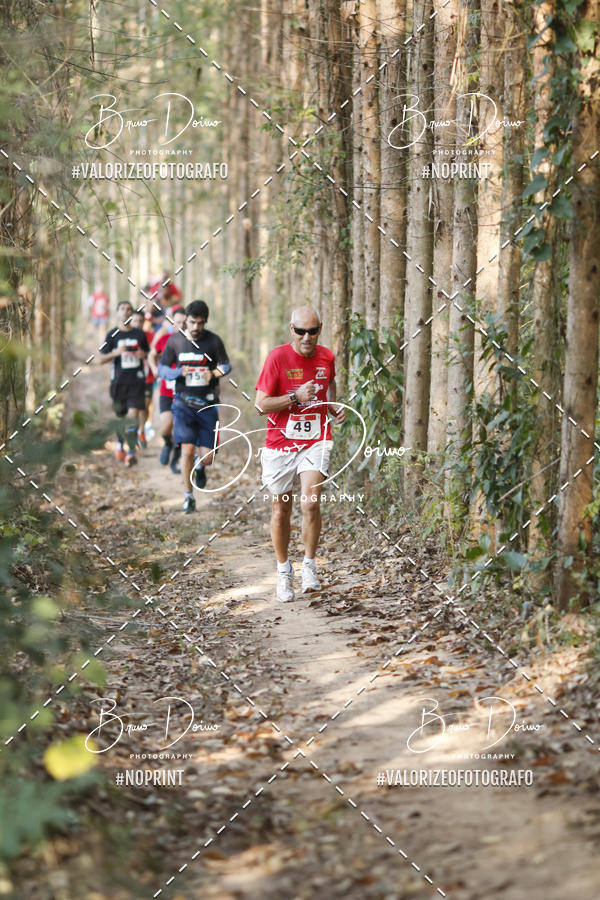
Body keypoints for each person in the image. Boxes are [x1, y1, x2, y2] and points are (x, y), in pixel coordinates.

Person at [255, 305, 344, 602]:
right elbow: (261, 404)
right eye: (301, 331)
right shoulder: (277, 358)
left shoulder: (327, 356)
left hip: (316, 439)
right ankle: (283, 570)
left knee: (311, 503)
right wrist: (294, 397)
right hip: (280, 442)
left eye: (313, 331)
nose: (307, 337)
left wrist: (332, 405)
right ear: (291, 329)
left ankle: (309, 566)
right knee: (281, 511)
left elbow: (329, 383)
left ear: (320, 329)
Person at [158, 300, 232, 512]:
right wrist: (176, 373)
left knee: (208, 458)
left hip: (207, 404)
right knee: (188, 449)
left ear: (205, 321)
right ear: (186, 320)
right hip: (182, 404)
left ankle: (200, 467)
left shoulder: (213, 341)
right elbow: (162, 369)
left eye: (200, 323)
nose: (196, 327)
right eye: (192, 322)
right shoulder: (175, 342)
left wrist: (214, 373)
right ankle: (188, 496)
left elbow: (226, 365)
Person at [99, 301, 149, 466]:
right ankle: (120, 443)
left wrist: (143, 355)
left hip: (136, 382)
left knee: (133, 417)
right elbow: (101, 359)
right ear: (117, 312)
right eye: (122, 309)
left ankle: (131, 451)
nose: (126, 312)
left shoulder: (139, 334)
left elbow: (148, 354)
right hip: (118, 383)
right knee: (121, 418)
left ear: (132, 313)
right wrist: (116, 353)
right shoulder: (112, 334)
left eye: (129, 309)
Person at [148, 305, 186, 474]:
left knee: (180, 429)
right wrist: (155, 370)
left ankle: (176, 458)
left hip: (185, 393)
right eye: (178, 322)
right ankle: (168, 443)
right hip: (166, 391)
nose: (182, 326)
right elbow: (152, 355)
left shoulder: (195, 343)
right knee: (166, 427)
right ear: (173, 323)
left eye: (185, 322)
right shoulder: (166, 340)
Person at [131, 310, 156, 447]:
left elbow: (156, 353)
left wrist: (145, 355)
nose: (139, 324)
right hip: (131, 378)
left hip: (148, 377)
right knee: (135, 407)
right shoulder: (128, 336)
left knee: (145, 405)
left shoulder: (151, 336)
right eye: (136, 321)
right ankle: (136, 430)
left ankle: (142, 430)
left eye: (142, 321)